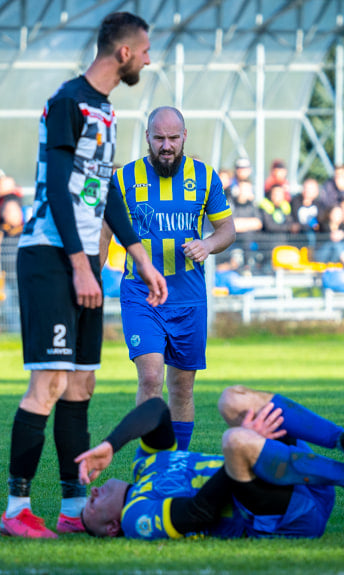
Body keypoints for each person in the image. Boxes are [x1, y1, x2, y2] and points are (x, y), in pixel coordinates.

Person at [0, 11, 167, 540]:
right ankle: (16, 510)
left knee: (80, 385)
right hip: (51, 256)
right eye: (143, 50)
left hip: (85, 263)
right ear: (122, 53)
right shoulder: (68, 101)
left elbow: (104, 189)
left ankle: (73, 507)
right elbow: (55, 187)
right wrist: (78, 264)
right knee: (47, 383)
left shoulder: (106, 110)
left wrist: (139, 257)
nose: (147, 58)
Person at [75, 386, 344, 539]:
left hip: (298, 477)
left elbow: (157, 412)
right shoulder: (136, 518)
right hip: (283, 518)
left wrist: (111, 444)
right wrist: (246, 449)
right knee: (235, 441)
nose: (90, 495)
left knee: (232, 399)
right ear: (111, 528)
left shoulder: (144, 466)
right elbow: (199, 513)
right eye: (89, 511)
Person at [106, 106, 235, 453]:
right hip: (142, 293)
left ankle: (176, 464)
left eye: (173, 138)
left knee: (181, 388)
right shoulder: (122, 179)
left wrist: (207, 244)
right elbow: (104, 233)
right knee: (150, 378)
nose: (166, 145)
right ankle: (147, 463)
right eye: (159, 138)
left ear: (184, 137)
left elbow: (227, 230)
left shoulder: (205, 177)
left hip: (189, 296)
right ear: (147, 137)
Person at [290, 178, 321, 248]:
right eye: (306, 188)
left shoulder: (319, 204)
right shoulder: (295, 202)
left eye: (310, 189)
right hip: (299, 234)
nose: (307, 191)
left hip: (314, 235)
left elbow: (320, 222)